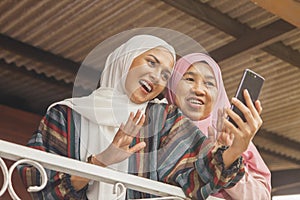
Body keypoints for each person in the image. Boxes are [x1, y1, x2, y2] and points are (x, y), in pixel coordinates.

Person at [18, 34, 176, 200]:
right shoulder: (66, 115)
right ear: (125, 60)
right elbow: (39, 181)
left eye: (165, 75)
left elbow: (191, 172)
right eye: (151, 62)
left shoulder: (163, 120)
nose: (157, 77)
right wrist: (100, 162)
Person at [128, 53, 270, 200]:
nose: (199, 90)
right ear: (172, 85)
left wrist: (228, 156)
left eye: (209, 83)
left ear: (219, 93)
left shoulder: (234, 136)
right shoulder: (150, 125)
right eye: (189, 79)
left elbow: (262, 196)